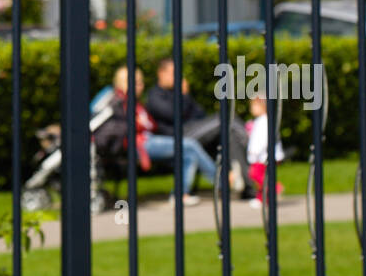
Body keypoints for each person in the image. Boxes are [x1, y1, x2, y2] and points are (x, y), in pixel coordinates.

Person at [94, 66, 217, 205]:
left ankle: (180, 194)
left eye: (141, 82)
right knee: (189, 144)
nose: (140, 86)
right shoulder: (119, 101)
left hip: (147, 140)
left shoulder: (135, 103)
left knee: (188, 155)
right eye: (136, 82)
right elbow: (118, 127)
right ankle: (221, 180)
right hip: (139, 143)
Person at [145, 57, 255, 200]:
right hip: (178, 137)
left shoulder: (178, 93)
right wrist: (183, 95)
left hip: (195, 131)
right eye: (173, 73)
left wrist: (185, 97)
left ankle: (248, 187)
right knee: (224, 119)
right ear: (161, 73)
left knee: (230, 135)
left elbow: (200, 114)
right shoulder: (155, 96)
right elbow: (174, 115)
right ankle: (253, 143)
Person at [246, 94, 284, 209]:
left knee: (256, 174)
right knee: (261, 177)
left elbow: (263, 139)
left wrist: (254, 151)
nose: (251, 109)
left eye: (254, 106)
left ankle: (274, 188)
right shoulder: (261, 121)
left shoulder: (265, 121)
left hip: (263, 156)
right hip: (262, 156)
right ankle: (262, 198)